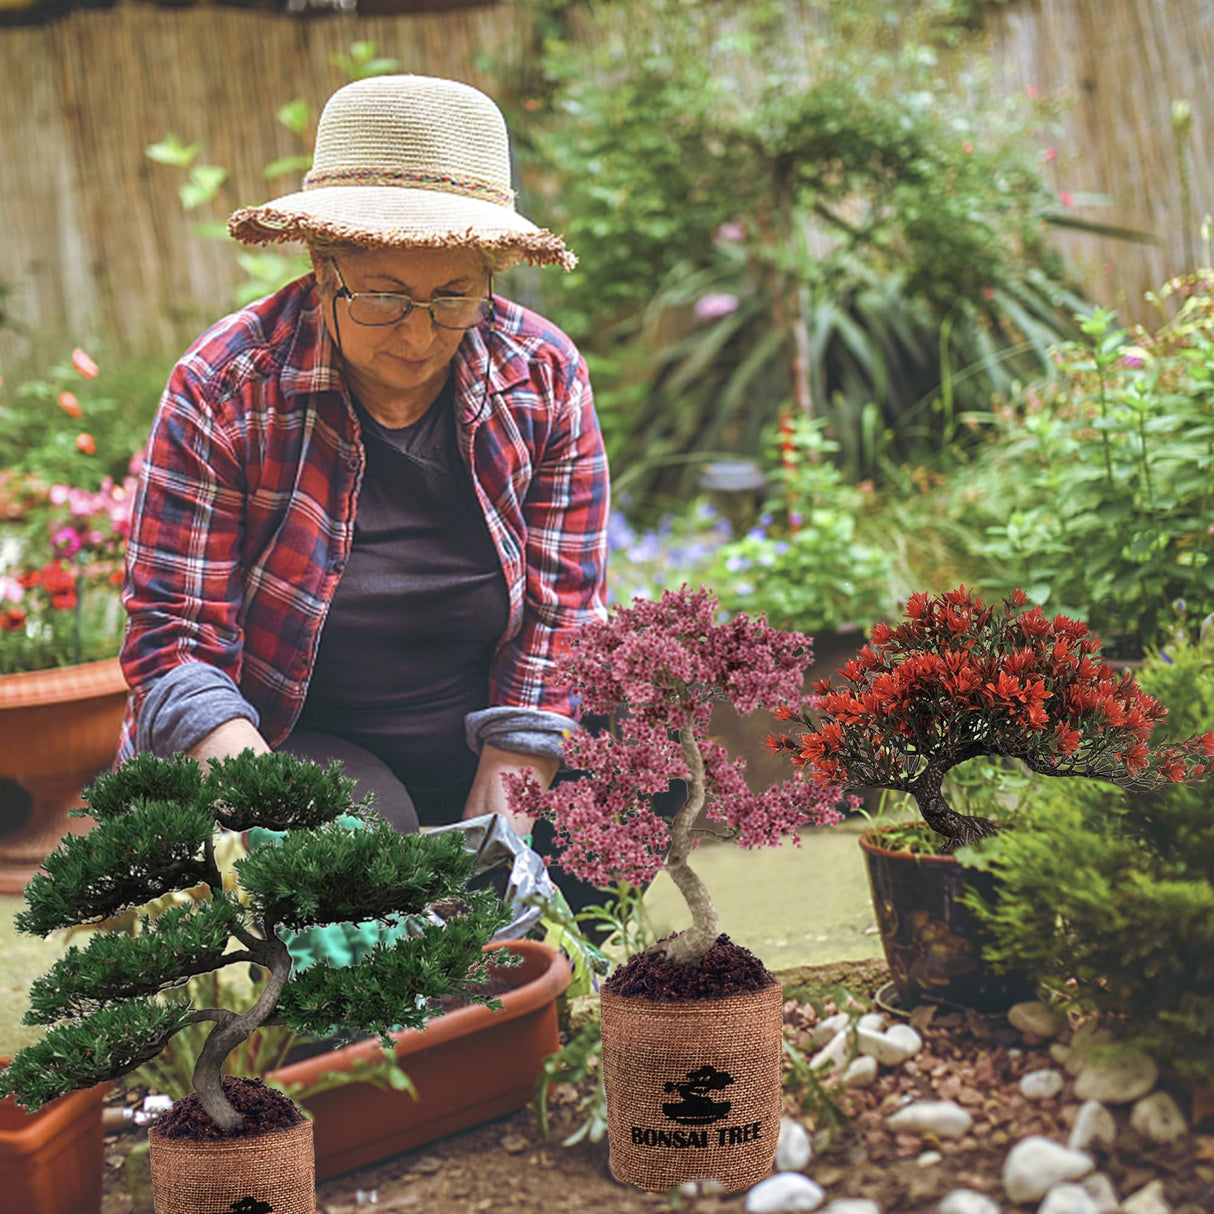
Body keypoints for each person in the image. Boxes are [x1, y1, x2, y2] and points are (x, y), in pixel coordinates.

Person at [117, 74, 609, 847]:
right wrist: (264, 801)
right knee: (365, 836)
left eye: (452, 297)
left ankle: (549, 957)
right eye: (382, 296)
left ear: (491, 275)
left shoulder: (540, 375)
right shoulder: (227, 386)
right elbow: (174, 639)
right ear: (321, 267)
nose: (417, 337)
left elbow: (564, 612)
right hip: (285, 739)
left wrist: (512, 778)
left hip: (481, 727)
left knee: (641, 752)